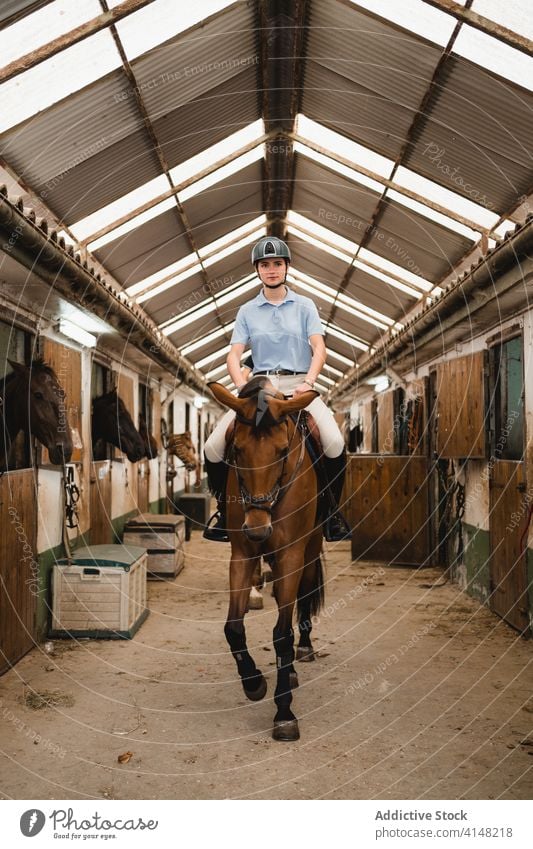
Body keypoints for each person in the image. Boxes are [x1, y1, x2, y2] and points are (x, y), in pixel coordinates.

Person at [203, 236, 351, 542]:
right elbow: (234, 354)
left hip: (298, 385)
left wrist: (308, 382)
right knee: (213, 448)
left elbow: (319, 347)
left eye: (277, 264)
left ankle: (331, 513)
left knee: (335, 443)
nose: (272, 270)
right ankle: (222, 511)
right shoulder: (246, 311)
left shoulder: (305, 306)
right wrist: (243, 387)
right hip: (260, 387)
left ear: (286, 268)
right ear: (257, 270)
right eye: (265, 265)